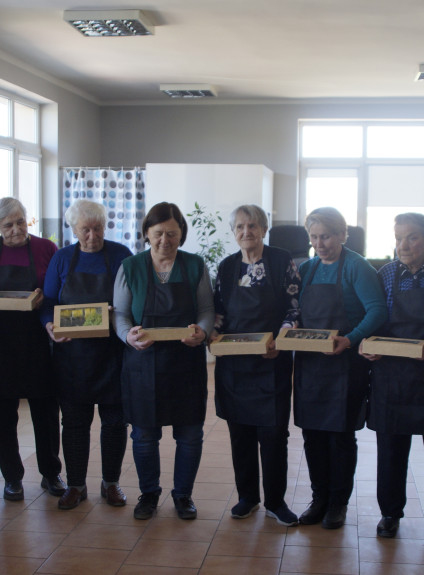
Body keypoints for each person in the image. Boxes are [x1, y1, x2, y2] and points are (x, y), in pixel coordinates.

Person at [114, 202, 214, 521]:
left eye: (172, 233)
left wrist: (203, 332)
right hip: (143, 363)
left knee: (190, 435)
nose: (164, 240)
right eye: (158, 233)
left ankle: (183, 495)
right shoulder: (131, 267)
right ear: (147, 233)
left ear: (181, 233)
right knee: (144, 435)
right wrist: (127, 335)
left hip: (186, 363)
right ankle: (149, 494)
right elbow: (120, 314)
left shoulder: (195, 265)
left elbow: (206, 311)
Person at [360, 213, 424, 539]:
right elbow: (371, 317)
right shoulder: (384, 274)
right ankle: (390, 513)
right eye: (399, 237)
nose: (403, 245)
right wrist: (367, 344)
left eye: (412, 237)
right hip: (391, 375)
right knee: (390, 452)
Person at [295, 207, 388, 530]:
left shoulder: (357, 268)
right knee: (312, 436)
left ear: (343, 235)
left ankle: (338, 502)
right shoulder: (306, 270)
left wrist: (350, 340)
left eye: (327, 236)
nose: (320, 244)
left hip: (345, 364)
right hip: (310, 365)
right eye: (314, 237)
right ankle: (318, 498)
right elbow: (295, 313)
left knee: (340, 437)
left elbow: (376, 311)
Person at [210, 204, 301, 526]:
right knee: (240, 434)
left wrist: (282, 338)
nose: (245, 232)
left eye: (252, 226)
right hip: (235, 365)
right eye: (239, 227)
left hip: (271, 360)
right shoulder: (226, 267)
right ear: (233, 232)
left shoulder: (280, 260)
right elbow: (218, 311)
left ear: (263, 229)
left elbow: (293, 306)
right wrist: (213, 335)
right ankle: (247, 497)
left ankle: (276, 501)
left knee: (274, 435)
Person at [0, 197, 64, 502]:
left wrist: (43, 299)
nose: (16, 229)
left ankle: (51, 473)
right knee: (3, 415)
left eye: (20, 221)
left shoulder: (46, 249)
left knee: (46, 414)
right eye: (8, 225)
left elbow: (58, 292)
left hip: (39, 341)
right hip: (0, 344)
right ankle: (12, 478)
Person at [42, 200, 132, 509]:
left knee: (115, 422)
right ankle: (76, 485)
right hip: (72, 356)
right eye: (85, 230)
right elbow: (48, 302)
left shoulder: (120, 255)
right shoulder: (62, 259)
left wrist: (118, 314)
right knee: (75, 423)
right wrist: (50, 325)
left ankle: (111, 483)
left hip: (112, 354)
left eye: (97, 229)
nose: (92, 236)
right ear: (73, 230)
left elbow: (133, 299)